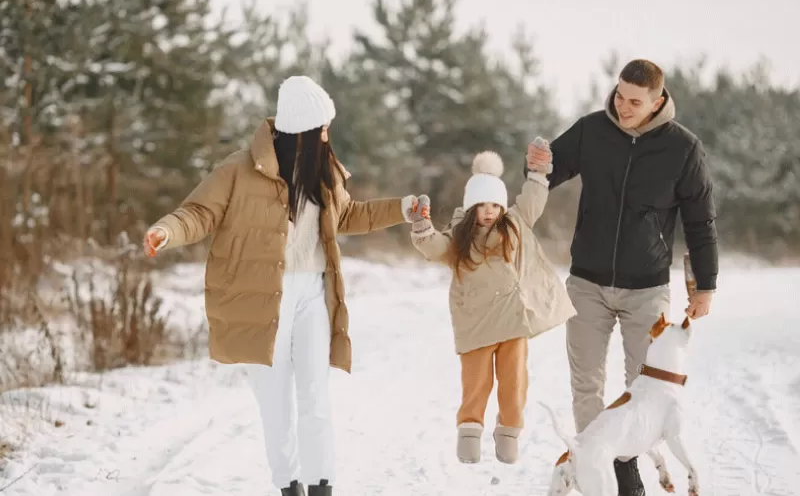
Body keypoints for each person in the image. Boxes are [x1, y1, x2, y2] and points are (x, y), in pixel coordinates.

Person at [143, 76, 419, 496]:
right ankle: (288, 486)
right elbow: (198, 212)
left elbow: (348, 216)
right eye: (322, 127)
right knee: (275, 406)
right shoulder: (238, 169)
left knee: (315, 398)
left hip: (313, 294)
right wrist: (166, 230)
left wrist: (403, 208)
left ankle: (321, 486)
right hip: (260, 300)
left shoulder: (322, 171)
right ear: (302, 131)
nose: (328, 135)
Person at [526, 59, 718, 495]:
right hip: (586, 283)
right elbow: (544, 174)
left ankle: (623, 463)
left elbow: (701, 222)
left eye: (635, 101)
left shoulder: (684, 149)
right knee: (586, 386)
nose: (623, 106)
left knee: (643, 388)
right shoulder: (592, 130)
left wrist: (704, 286)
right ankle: (610, 473)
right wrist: (535, 164)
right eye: (619, 96)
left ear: (657, 102)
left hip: (647, 290)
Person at [408, 145, 576, 465]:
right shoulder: (459, 236)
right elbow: (434, 246)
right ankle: (469, 433)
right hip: (476, 323)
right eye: (482, 205)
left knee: (514, 381)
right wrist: (421, 227)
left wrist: (538, 174)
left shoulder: (513, 225)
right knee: (476, 382)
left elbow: (531, 202)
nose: (489, 211)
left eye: (495, 204)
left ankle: (509, 433)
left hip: (512, 320)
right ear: (471, 207)